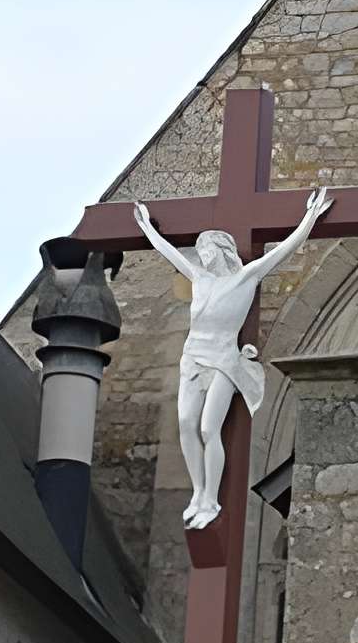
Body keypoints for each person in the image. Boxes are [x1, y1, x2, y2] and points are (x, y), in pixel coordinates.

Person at [132, 184, 334, 531]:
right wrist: (147, 226)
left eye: (208, 250)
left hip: (224, 361)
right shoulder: (199, 278)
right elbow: (169, 254)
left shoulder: (246, 277)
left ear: (222, 250)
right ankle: (198, 494)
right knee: (185, 426)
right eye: (201, 251)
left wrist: (310, 217)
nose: (203, 256)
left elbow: (285, 250)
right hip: (192, 359)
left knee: (210, 428)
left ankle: (211, 499)